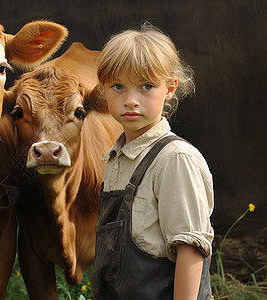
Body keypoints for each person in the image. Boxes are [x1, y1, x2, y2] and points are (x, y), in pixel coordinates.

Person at [91, 22, 214, 300]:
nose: (131, 100)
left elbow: (190, 248)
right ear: (103, 89)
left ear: (170, 88)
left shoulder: (175, 160)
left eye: (146, 86)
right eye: (118, 86)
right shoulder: (115, 158)